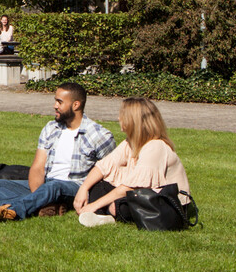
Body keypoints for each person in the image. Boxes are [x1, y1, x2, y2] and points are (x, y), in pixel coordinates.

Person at [0, 82, 115, 223]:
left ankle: (11, 212)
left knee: (53, 187)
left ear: (76, 105)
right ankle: (43, 206)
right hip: (47, 184)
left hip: (74, 187)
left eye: (59, 102)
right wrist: (39, 194)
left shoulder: (99, 135)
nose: (55, 106)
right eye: (55, 101)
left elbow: (109, 173)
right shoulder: (50, 128)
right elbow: (37, 167)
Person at [73, 97, 191, 228]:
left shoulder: (155, 146)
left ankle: (102, 213)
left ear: (133, 121)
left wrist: (94, 204)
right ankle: (99, 216)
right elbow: (103, 166)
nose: (119, 119)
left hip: (164, 203)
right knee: (97, 185)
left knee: (117, 206)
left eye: (122, 115)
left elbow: (132, 187)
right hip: (141, 194)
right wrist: (83, 189)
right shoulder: (130, 143)